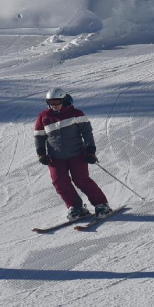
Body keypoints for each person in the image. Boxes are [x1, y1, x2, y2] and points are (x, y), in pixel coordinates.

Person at [34, 88, 111, 220]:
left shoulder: (76, 114)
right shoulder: (44, 117)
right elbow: (39, 137)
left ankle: (101, 204)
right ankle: (76, 207)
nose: (54, 105)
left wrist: (91, 151)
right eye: (51, 102)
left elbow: (87, 133)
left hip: (77, 154)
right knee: (60, 182)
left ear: (64, 100)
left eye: (57, 101)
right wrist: (41, 154)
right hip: (56, 157)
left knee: (81, 180)